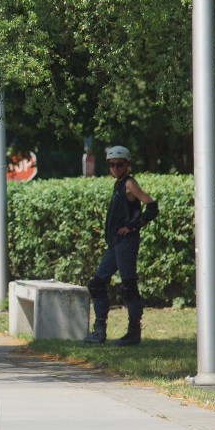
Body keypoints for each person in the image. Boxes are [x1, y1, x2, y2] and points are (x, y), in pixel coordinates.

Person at [83, 146, 159, 346]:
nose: (115, 168)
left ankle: (133, 333)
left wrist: (133, 226)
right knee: (96, 284)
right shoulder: (118, 184)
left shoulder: (129, 183)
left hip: (126, 243)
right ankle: (99, 331)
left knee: (128, 286)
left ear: (127, 164)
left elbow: (152, 206)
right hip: (115, 244)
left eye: (119, 164)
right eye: (111, 164)